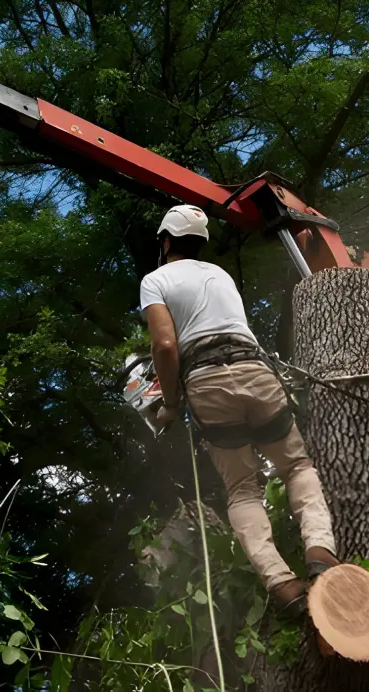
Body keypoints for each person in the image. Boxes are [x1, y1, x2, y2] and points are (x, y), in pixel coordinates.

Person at [139, 204, 339, 611]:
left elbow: (164, 345)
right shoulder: (221, 275)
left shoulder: (155, 279)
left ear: (165, 240)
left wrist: (171, 405)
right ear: (200, 241)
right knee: (297, 467)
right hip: (255, 370)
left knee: (241, 489)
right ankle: (320, 551)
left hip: (207, 383)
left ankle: (282, 584)